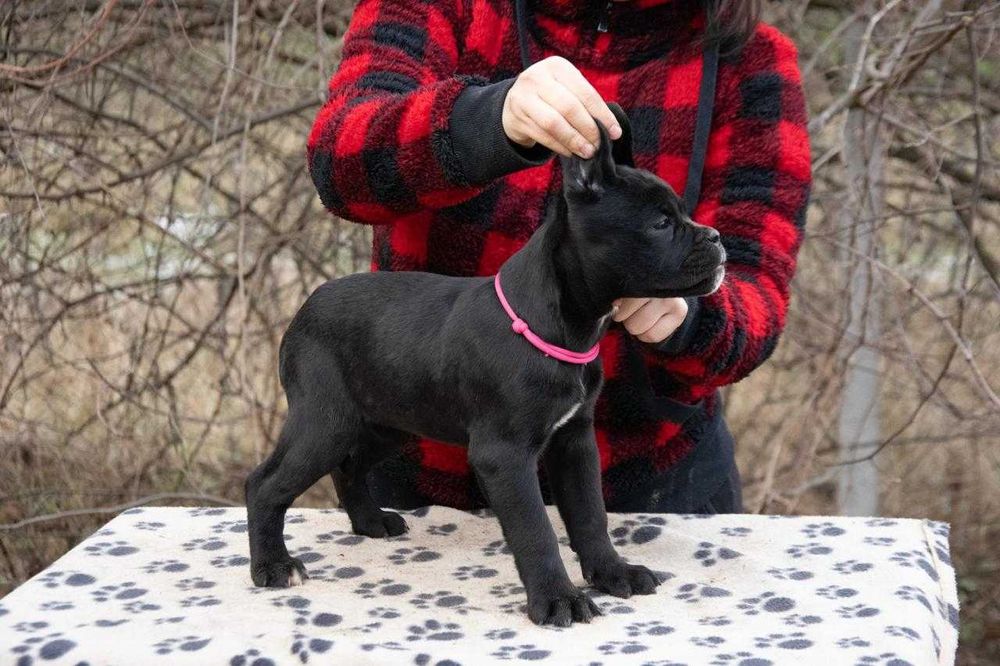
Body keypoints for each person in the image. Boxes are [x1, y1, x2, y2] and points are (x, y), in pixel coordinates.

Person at [306, 0, 811, 514]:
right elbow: (341, 165)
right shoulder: (447, 8)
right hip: (423, 469)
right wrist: (487, 120)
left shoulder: (751, 62)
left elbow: (756, 295)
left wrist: (689, 317)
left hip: (647, 491)